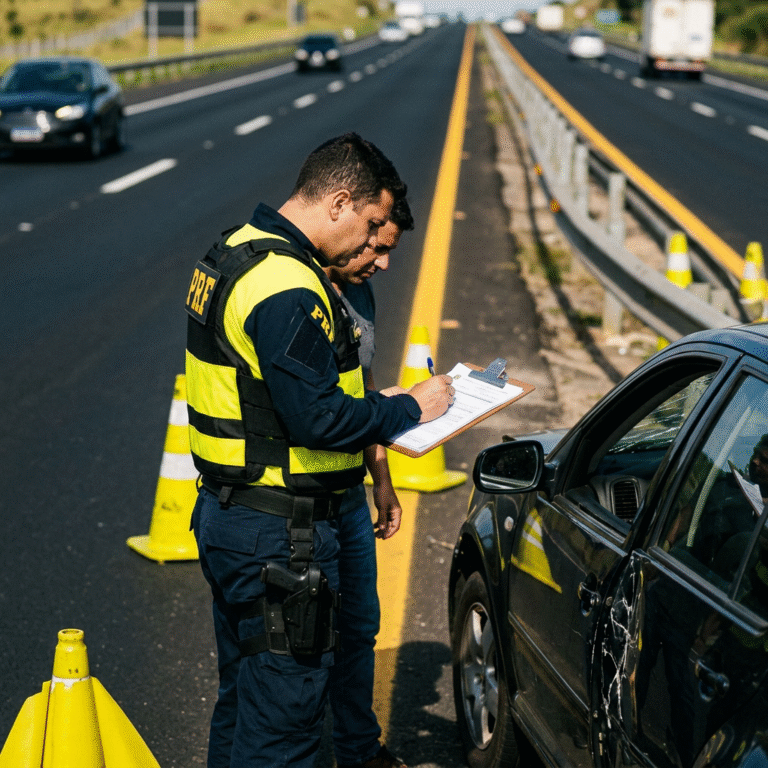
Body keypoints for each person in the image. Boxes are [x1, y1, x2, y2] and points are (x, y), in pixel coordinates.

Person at [185, 132, 455, 768]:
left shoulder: (234, 251)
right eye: (371, 227)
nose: (375, 251)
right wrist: (412, 408)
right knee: (285, 728)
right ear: (339, 203)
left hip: (239, 512)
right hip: (279, 531)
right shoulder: (287, 286)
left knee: (244, 699)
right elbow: (321, 419)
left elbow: (297, 396)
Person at [324, 195, 413, 768]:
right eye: (375, 248)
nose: (381, 263)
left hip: (349, 494)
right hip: (296, 500)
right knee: (304, 645)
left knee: (359, 627)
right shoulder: (300, 289)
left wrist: (381, 477)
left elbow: (365, 384)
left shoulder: (360, 291)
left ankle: (358, 749)